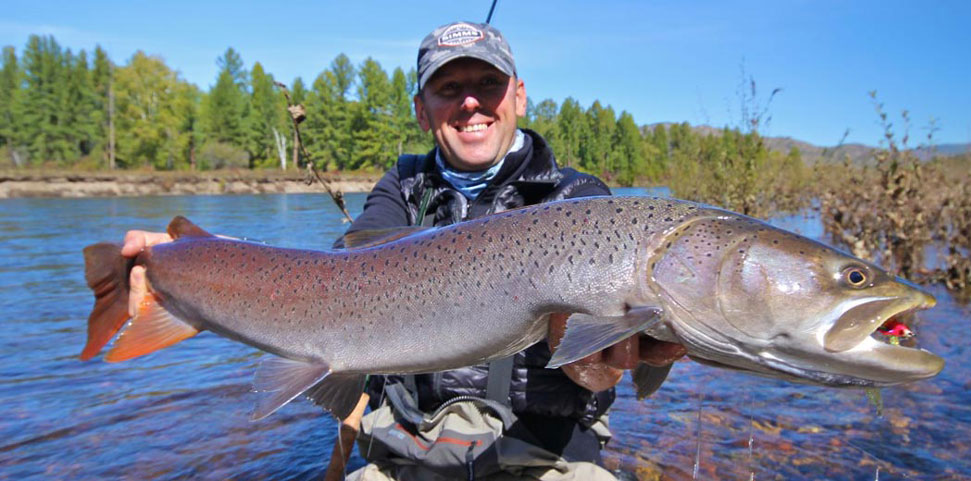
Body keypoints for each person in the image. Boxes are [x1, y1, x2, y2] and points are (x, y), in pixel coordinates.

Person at [121, 21, 685, 481]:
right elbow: (337, 277)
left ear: (518, 95)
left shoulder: (578, 201)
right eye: (448, 89)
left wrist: (599, 367)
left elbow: (601, 363)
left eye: (487, 84)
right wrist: (203, 261)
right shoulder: (402, 187)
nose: (470, 103)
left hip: (544, 457)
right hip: (406, 455)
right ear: (422, 110)